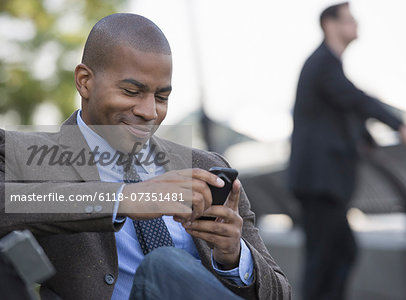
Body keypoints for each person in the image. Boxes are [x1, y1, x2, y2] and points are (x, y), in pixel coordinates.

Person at [0, 13, 291, 300]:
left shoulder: (205, 167)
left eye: (162, 98)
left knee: (168, 266)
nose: (150, 112)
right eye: (131, 91)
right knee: (162, 264)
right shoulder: (23, 155)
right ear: (85, 81)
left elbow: (281, 293)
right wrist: (124, 198)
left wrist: (234, 258)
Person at [288, 3, 406, 300]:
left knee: (340, 253)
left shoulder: (326, 66)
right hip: (320, 183)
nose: (356, 24)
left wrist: (366, 137)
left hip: (322, 183)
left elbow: (342, 108)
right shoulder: (323, 63)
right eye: (350, 20)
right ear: (329, 25)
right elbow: (354, 98)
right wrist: (400, 125)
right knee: (325, 260)